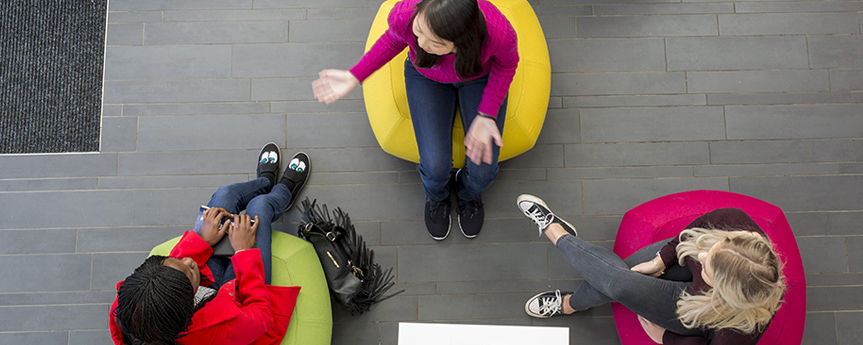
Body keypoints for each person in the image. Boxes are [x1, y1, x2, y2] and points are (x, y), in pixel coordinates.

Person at [312, 0, 519, 241]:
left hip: (478, 77)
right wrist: (355, 75)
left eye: (436, 42)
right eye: (419, 32)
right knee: (434, 168)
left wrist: (487, 113)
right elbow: (393, 40)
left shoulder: (498, 33)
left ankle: (467, 195)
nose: (420, 44)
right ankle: (437, 198)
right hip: (426, 76)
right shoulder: (406, 14)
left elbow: (507, 64)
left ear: (463, 40)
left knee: (484, 173)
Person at [109, 143, 311, 345]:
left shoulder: (131, 304)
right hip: (238, 308)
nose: (189, 260)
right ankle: (283, 192)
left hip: (206, 291)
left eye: (173, 260)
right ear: (188, 304)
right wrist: (243, 252)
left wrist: (202, 241)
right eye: (188, 271)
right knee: (260, 207)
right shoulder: (218, 335)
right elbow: (260, 315)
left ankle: (264, 182)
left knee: (224, 196)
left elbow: (180, 265)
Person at [515, 194, 786, 345]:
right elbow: (693, 232)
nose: (700, 254)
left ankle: (555, 232)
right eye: (712, 249)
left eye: (707, 266)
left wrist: (666, 338)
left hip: (698, 310)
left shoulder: (741, 328)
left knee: (619, 284)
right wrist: (661, 260)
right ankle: (572, 302)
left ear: (725, 290)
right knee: (620, 278)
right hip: (676, 267)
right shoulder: (733, 221)